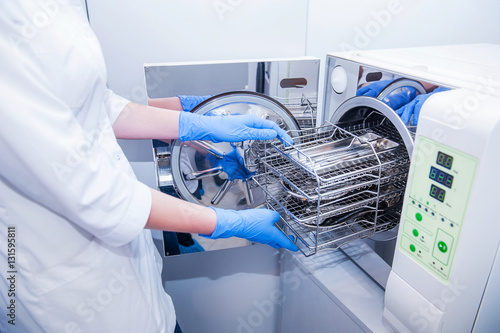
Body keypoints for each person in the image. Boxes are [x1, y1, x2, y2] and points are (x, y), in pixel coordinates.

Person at [0, 2, 297, 332]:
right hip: (61, 286)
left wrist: (195, 124)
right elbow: (93, 193)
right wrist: (225, 222)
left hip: (134, 289)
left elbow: (99, 107)